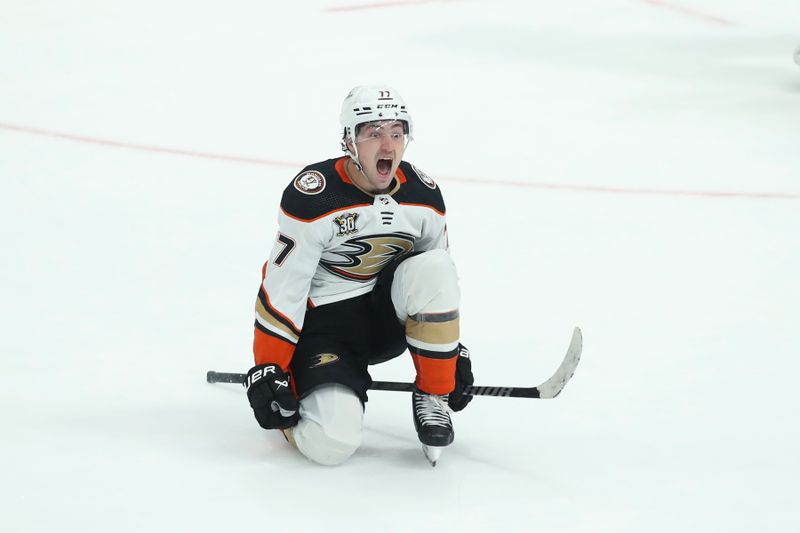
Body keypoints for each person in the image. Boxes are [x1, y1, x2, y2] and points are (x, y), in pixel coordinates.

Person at [244, 85, 474, 466]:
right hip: (323, 329)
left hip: (382, 319)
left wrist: (447, 356)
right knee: (332, 445)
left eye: (397, 133)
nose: (388, 146)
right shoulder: (315, 195)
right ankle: (303, 393)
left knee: (435, 265)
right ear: (349, 140)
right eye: (373, 133)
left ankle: (432, 394)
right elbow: (283, 289)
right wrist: (270, 367)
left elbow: (436, 283)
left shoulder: (424, 196)